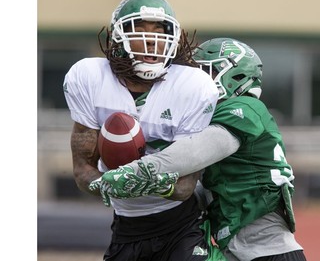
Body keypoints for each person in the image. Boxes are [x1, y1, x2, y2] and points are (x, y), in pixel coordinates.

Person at [94, 38, 307, 261]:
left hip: (268, 249)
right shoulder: (204, 120)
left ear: (235, 76)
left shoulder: (245, 107)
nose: (195, 81)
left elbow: (194, 152)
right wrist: (158, 187)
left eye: (205, 71)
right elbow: (200, 188)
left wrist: (138, 170)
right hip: (238, 249)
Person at [63, 0, 226, 261]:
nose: (151, 38)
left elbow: (185, 186)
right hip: (126, 225)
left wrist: (145, 181)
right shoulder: (89, 77)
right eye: (139, 29)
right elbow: (82, 170)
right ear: (119, 37)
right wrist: (106, 184)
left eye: (159, 30)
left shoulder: (193, 86)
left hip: (181, 225)